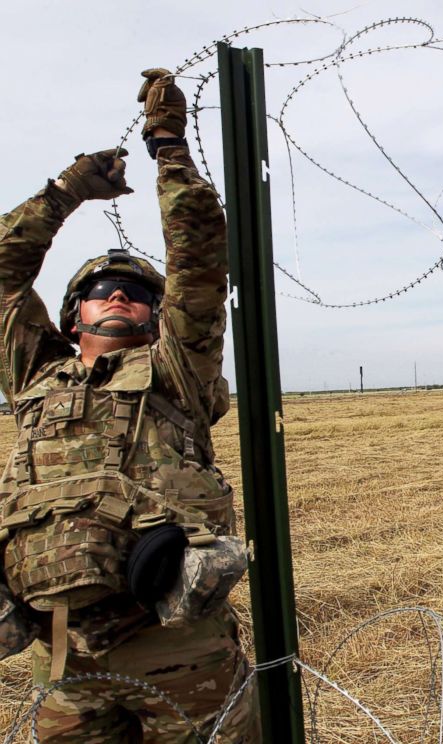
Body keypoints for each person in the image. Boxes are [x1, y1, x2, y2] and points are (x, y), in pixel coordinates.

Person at [0, 69, 259, 741]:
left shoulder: (175, 368)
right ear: (70, 316)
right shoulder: (34, 375)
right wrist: (66, 192)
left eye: (136, 292)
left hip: (173, 641)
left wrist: (167, 144)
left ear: (154, 315)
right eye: (101, 291)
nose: (118, 297)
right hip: (61, 652)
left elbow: (199, 253)